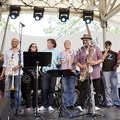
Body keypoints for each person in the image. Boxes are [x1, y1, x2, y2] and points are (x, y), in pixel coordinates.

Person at [75, 34, 104, 112]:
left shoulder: (96, 48)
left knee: (96, 88)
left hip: (95, 72)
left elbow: (102, 58)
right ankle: (81, 105)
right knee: (83, 89)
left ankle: (95, 105)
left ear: (90, 40)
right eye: (84, 40)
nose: (85, 41)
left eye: (86, 39)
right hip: (84, 72)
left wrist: (95, 62)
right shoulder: (80, 50)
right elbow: (76, 61)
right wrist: (81, 66)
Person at [0, 38, 23, 114]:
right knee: (6, 91)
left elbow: (23, 62)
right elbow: (5, 64)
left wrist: (18, 66)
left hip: (17, 74)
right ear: (11, 42)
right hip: (8, 73)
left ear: (18, 43)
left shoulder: (21, 52)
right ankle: (6, 108)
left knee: (18, 91)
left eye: (15, 41)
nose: (14, 42)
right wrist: (2, 74)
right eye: (13, 41)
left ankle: (17, 108)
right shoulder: (7, 52)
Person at [40, 38, 60, 111]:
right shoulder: (44, 51)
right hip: (45, 72)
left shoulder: (57, 52)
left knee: (52, 88)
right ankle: (43, 104)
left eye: (49, 42)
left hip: (53, 72)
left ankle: (50, 105)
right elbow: (40, 61)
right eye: (47, 42)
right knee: (44, 88)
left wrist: (58, 65)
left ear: (53, 44)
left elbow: (59, 61)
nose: (47, 44)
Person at [21, 43, 40, 112]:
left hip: (34, 73)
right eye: (32, 46)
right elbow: (22, 63)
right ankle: (28, 105)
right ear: (30, 47)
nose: (34, 48)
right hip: (27, 73)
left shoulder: (38, 55)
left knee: (35, 89)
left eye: (35, 47)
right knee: (27, 89)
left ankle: (35, 105)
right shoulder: (25, 54)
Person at [102, 41, 120, 108]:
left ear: (111, 45)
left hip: (113, 71)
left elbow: (117, 61)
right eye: (106, 45)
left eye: (108, 45)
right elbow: (102, 59)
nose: (107, 46)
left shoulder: (115, 53)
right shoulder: (103, 52)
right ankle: (109, 103)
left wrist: (117, 65)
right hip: (105, 71)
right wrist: (107, 50)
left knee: (115, 87)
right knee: (107, 87)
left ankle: (116, 102)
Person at [60, 40, 77, 109]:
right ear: (64, 45)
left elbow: (76, 61)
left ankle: (71, 104)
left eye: (68, 43)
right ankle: (65, 104)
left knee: (72, 89)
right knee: (65, 89)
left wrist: (72, 61)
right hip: (64, 72)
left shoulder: (74, 52)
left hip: (72, 72)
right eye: (66, 43)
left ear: (70, 44)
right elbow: (59, 61)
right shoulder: (61, 53)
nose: (67, 44)